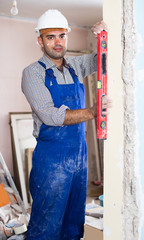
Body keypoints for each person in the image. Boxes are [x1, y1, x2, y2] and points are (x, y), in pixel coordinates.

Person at [22, 9, 112, 240]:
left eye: (62, 35)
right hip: (51, 161)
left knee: (73, 223)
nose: (57, 42)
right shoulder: (33, 73)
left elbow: (102, 60)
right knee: (46, 225)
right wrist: (93, 112)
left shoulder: (75, 66)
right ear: (40, 40)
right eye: (50, 37)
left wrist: (105, 34)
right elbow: (50, 116)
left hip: (79, 158)